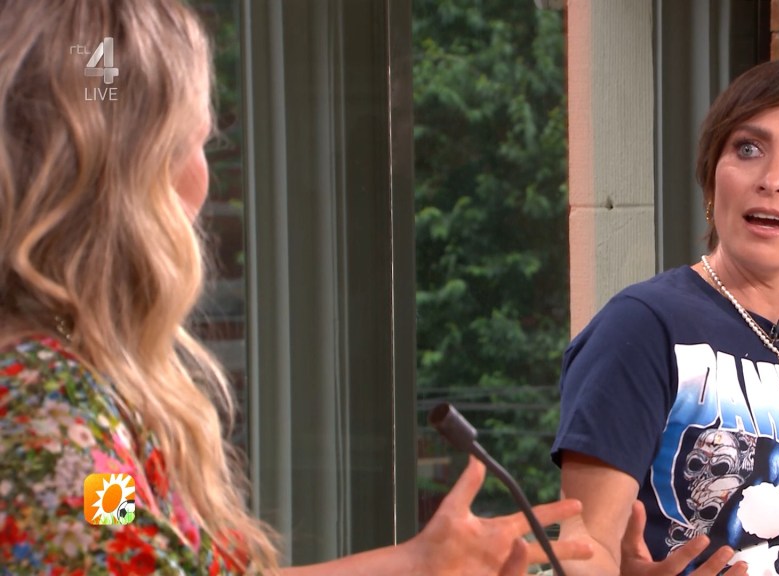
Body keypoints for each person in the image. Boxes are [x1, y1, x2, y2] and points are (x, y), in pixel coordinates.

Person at [0, 0, 591, 573]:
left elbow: (121, 548)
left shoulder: (69, 396)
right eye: (193, 141)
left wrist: (417, 566)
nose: (202, 180)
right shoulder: (46, 413)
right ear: (125, 173)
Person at [551, 59, 779, 575]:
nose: (772, 180)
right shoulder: (644, 326)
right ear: (714, 176)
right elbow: (584, 548)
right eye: (748, 149)